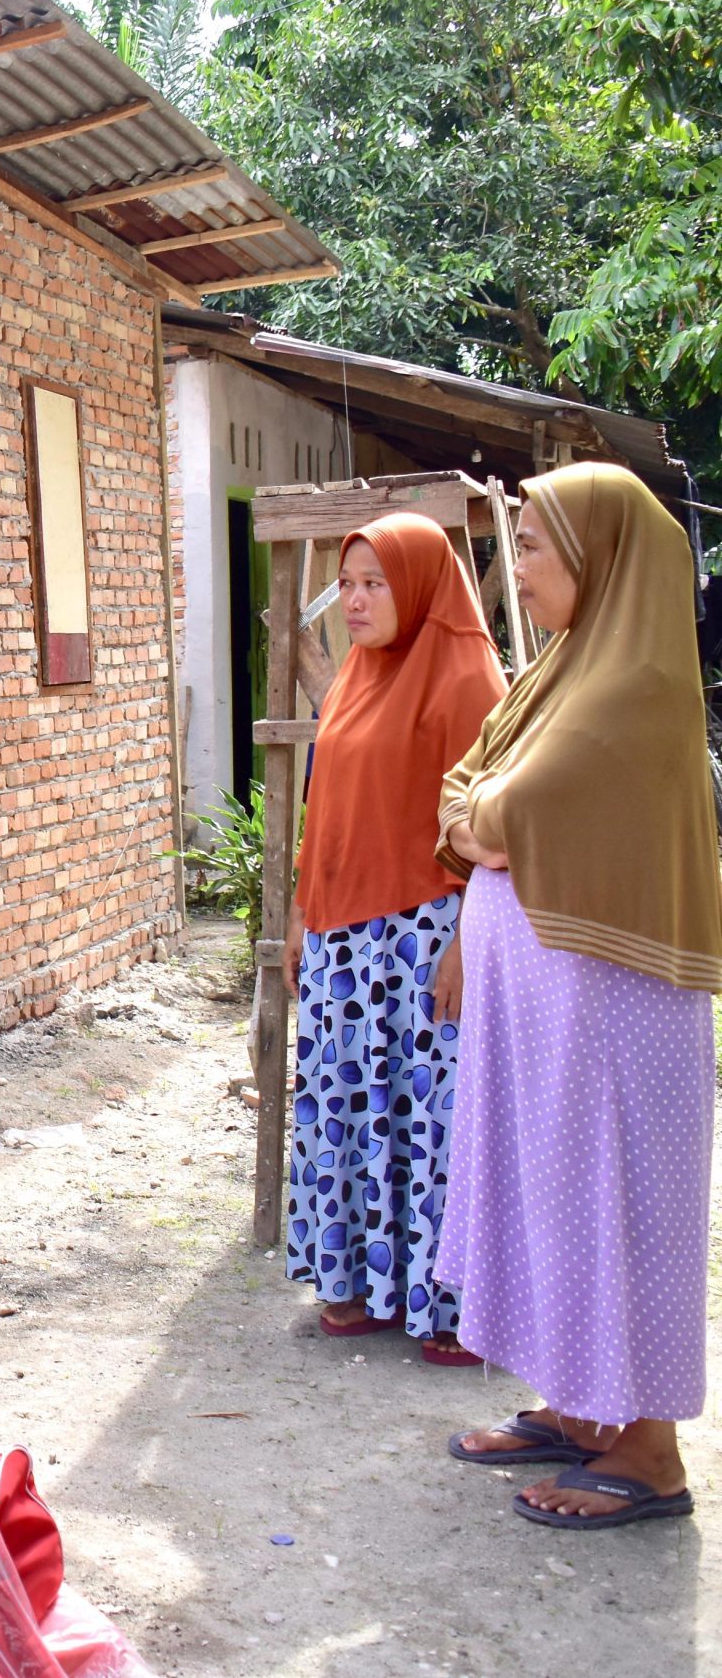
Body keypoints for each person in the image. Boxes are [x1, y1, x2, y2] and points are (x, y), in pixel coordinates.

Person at [436, 463, 722, 1530]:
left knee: (615, 1201)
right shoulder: (560, 672)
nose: (518, 569)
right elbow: (463, 784)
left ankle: (647, 1452)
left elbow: (500, 816)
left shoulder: (632, 689)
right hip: (553, 1003)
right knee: (558, 1193)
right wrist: (479, 818)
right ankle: (582, 1408)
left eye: (533, 547)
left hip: (610, 1013)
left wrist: (482, 823)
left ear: (599, 558)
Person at [280, 513, 504, 1365]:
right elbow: (323, 808)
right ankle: (357, 1284)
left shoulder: (466, 678)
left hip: (426, 937)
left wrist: (465, 941)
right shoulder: (351, 679)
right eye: (348, 583)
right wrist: (306, 913)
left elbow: (489, 826)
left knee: (431, 1119)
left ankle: (446, 1306)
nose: (358, 599)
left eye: (376, 582)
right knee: (347, 1102)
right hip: (345, 940)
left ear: (415, 585)